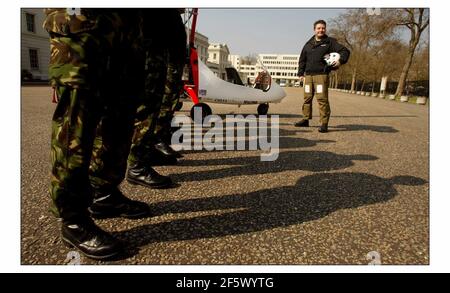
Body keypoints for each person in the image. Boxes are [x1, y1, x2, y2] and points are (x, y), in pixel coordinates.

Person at [45, 8, 153, 260]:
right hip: (83, 16)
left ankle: (104, 193)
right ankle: (72, 218)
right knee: (78, 116)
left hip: (128, 23)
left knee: (122, 114)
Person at [126, 9, 186, 188]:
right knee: (147, 106)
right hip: (150, 41)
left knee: (158, 103)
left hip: (163, 42)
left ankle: (148, 151)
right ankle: (137, 165)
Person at [295, 19, 350, 133]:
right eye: (318, 28)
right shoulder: (308, 44)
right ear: (314, 30)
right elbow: (302, 60)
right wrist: (300, 73)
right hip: (308, 76)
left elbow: (345, 51)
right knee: (307, 98)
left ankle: (324, 123)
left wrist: (340, 61)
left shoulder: (330, 42)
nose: (321, 30)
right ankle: (305, 120)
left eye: (323, 28)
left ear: (325, 29)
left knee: (322, 99)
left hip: (321, 75)